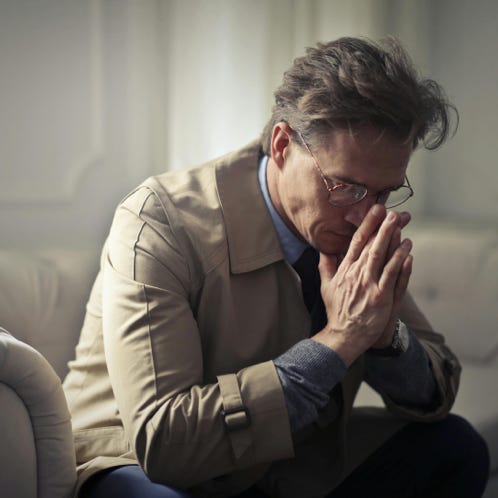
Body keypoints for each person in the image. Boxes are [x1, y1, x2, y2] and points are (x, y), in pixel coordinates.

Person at [63, 36, 490, 498]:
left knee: (456, 448)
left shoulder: (353, 228)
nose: (363, 213)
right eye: (344, 186)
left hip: (286, 465)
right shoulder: (159, 221)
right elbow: (166, 442)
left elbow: (437, 391)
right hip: (138, 467)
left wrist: (387, 337)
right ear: (284, 144)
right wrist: (340, 342)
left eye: (384, 193)